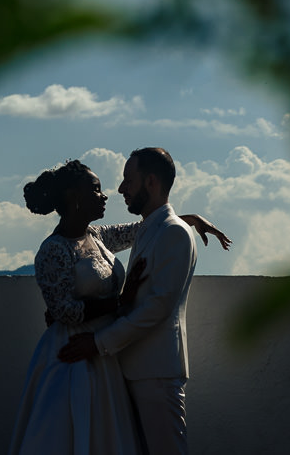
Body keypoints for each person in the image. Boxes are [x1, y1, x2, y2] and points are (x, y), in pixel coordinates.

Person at [9, 159, 230, 455]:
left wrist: (187, 218)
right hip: (73, 355)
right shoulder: (52, 250)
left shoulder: (98, 237)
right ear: (75, 196)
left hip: (106, 356)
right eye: (96, 190)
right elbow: (64, 312)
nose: (105, 195)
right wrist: (120, 302)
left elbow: (146, 227)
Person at [57, 148, 206, 455]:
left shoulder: (173, 233)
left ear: (150, 182)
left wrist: (97, 342)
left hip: (156, 372)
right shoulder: (151, 229)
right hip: (134, 369)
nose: (121, 188)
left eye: (128, 180)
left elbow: (156, 308)